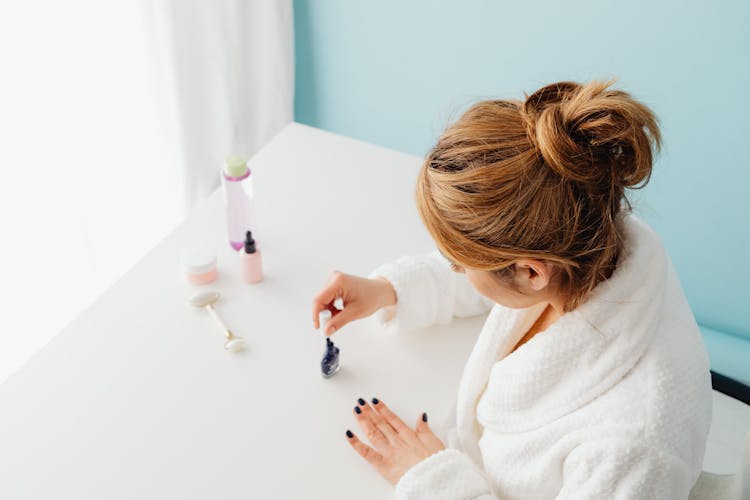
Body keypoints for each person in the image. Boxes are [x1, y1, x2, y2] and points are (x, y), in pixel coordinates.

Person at [311, 80, 712, 499]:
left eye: (458, 263)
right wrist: (387, 289)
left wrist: (434, 479)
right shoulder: (590, 238)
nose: (453, 269)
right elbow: (496, 272)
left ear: (531, 272)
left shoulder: (631, 450)